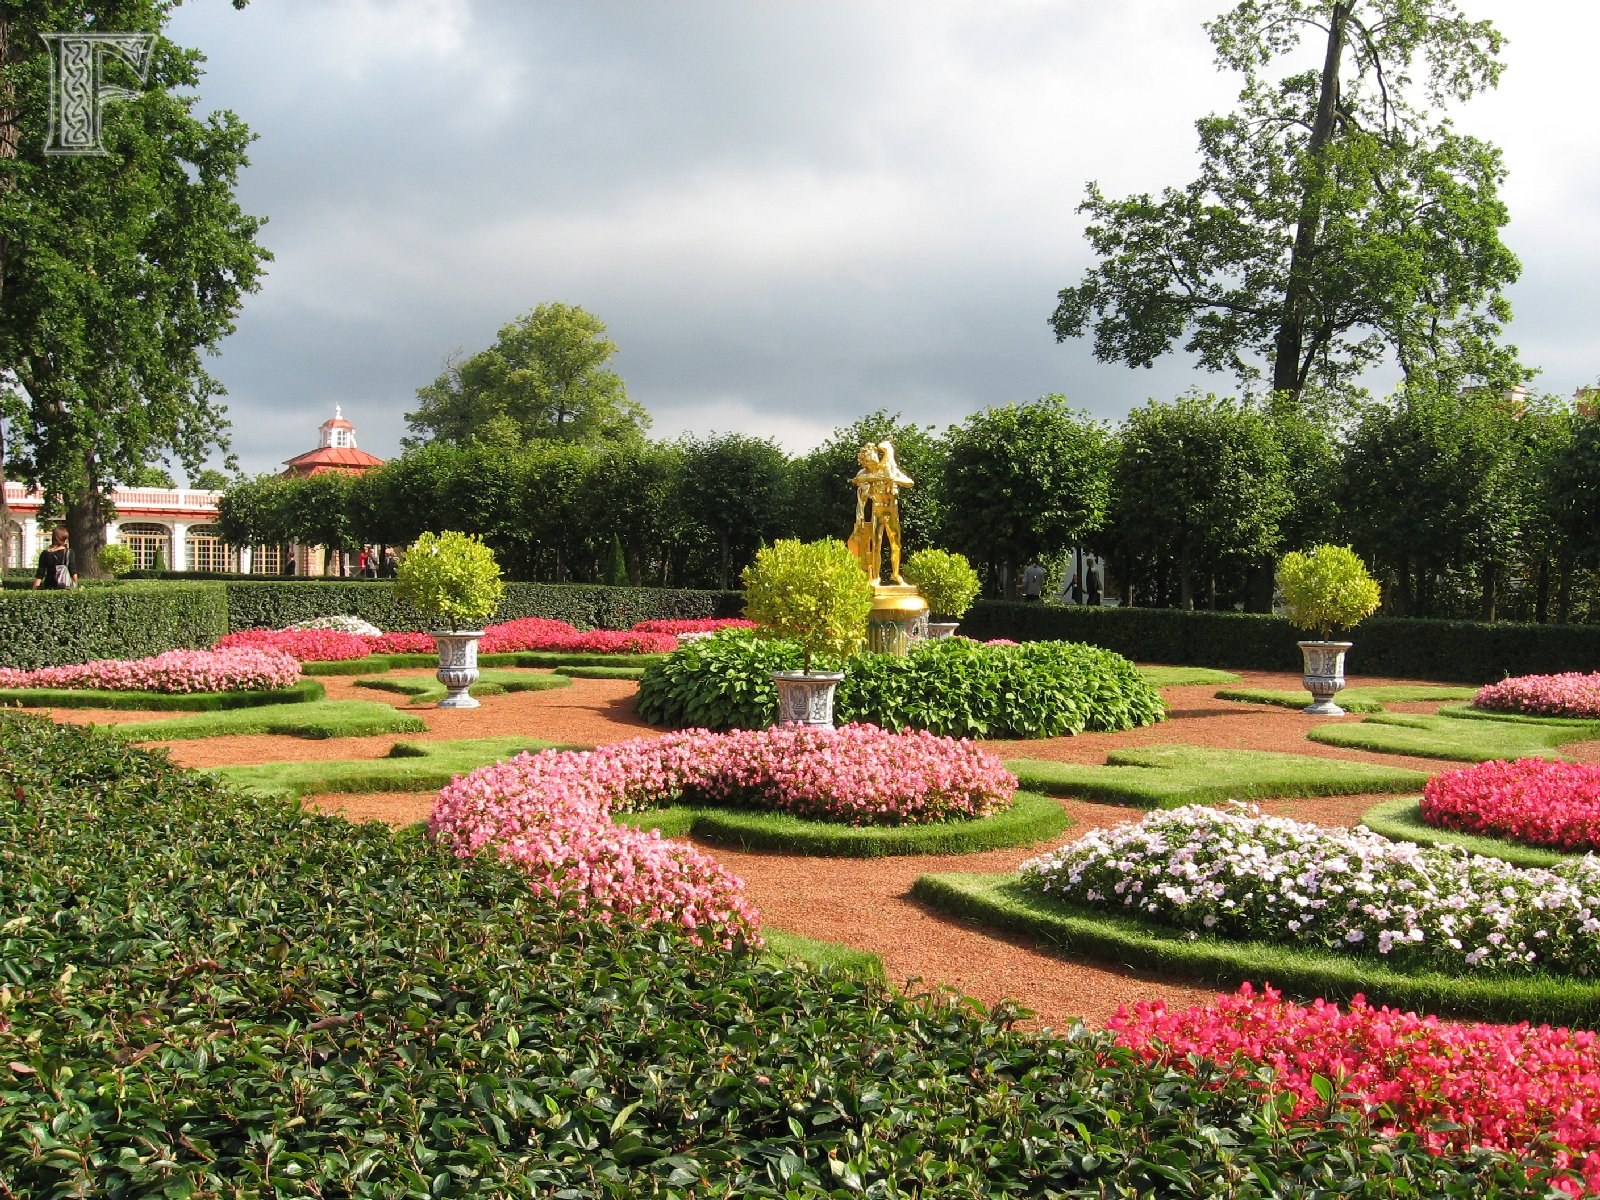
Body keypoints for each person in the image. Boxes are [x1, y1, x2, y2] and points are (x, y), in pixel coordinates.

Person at [31, 525, 77, 590]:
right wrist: (76, 586)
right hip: (65, 587)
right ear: (64, 539)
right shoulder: (69, 553)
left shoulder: (45, 553)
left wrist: (34, 590)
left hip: (49, 586)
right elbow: (73, 571)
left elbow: (40, 574)